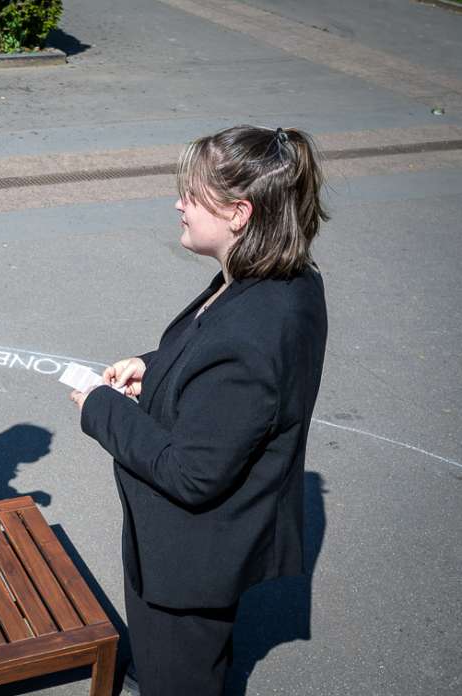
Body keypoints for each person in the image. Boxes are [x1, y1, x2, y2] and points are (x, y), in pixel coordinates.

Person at [69, 125, 329, 695]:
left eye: (191, 193)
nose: (178, 204)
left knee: (181, 673)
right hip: (196, 549)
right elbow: (206, 357)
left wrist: (99, 409)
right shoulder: (275, 281)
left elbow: (193, 474)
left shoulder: (253, 332)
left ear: (240, 213)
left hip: (188, 561)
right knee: (185, 662)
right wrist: (151, 365)